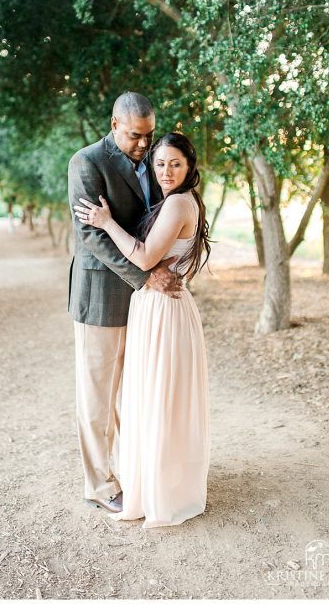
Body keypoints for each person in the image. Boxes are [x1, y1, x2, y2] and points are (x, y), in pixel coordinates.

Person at [74, 132, 211, 528]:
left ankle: (159, 490)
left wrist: (105, 221)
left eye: (176, 164)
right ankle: (159, 483)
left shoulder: (179, 203)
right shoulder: (178, 200)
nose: (166, 171)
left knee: (157, 400)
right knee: (158, 401)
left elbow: (146, 255)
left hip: (162, 310)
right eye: (161, 163)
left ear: (190, 168)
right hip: (159, 308)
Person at [67, 93, 183, 515]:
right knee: (97, 396)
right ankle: (98, 484)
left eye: (149, 135)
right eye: (136, 136)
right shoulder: (86, 162)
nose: (143, 145)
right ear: (114, 124)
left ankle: (133, 471)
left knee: (132, 393)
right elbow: (91, 237)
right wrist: (147, 275)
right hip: (101, 295)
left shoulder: (154, 160)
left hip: (145, 303)